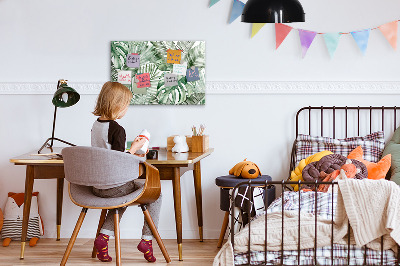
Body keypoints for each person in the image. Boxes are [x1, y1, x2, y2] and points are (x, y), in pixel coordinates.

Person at [91, 81, 161, 263]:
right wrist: (135, 149)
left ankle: (103, 238)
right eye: (127, 105)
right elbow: (118, 161)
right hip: (114, 186)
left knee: (121, 198)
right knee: (156, 194)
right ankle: (147, 240)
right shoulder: (117, 129)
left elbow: (108, 154)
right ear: (117, 105)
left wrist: (130, 150)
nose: (126, 109)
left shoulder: (96, 125)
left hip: (97, 186)